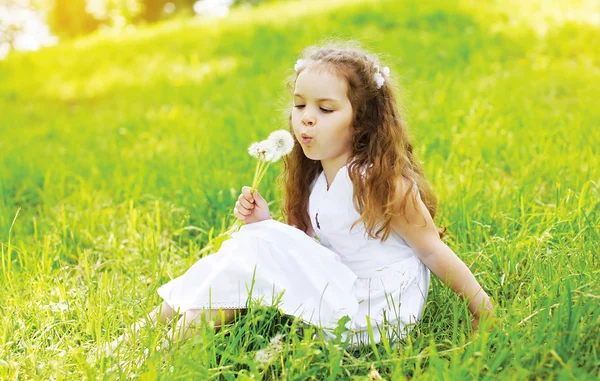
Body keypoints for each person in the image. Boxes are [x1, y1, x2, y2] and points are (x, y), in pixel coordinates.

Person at [108, 42, 494, 353]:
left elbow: (432, 252)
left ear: (361, 120)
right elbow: (313, 250)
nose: (306, 118)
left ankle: (154, 353)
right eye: (299, 105)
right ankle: (136, 339)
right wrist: (265, 225)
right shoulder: (316, 180)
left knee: (252, 252)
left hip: (374, 311)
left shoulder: (381, 181)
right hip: (341, 291)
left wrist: (482, 308)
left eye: (325, 108)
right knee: (246, 248)